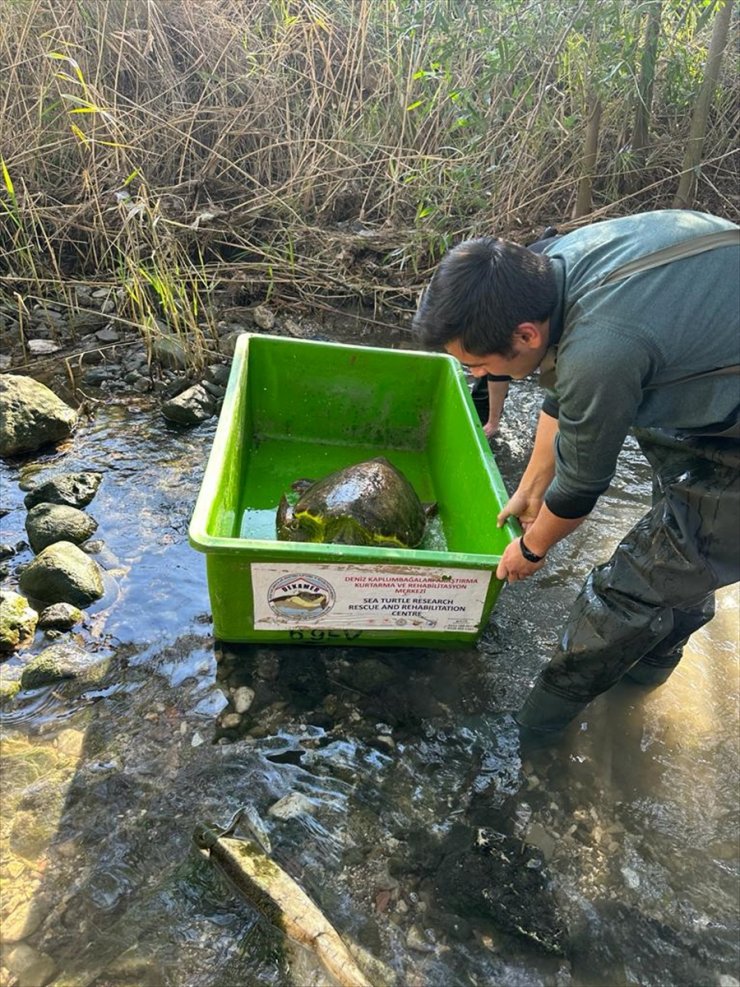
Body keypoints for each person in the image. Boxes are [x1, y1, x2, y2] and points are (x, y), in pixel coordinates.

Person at [413, 209, 740, 737]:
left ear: (524, 335)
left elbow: (584, 485)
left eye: (477, 363)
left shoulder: (602, 347)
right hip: (708, 364)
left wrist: (532, 549)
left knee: (632, 589)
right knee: (682, 547)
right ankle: (647, 675)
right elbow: (561, 395)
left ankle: (533, 737)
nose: (474, 375)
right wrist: (530, 487)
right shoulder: (547, 267)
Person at [471, 229, 561, 438]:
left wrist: (493, 424)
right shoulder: (501, 292)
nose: (475, 372)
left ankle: (488, 419)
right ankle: (483, 417)